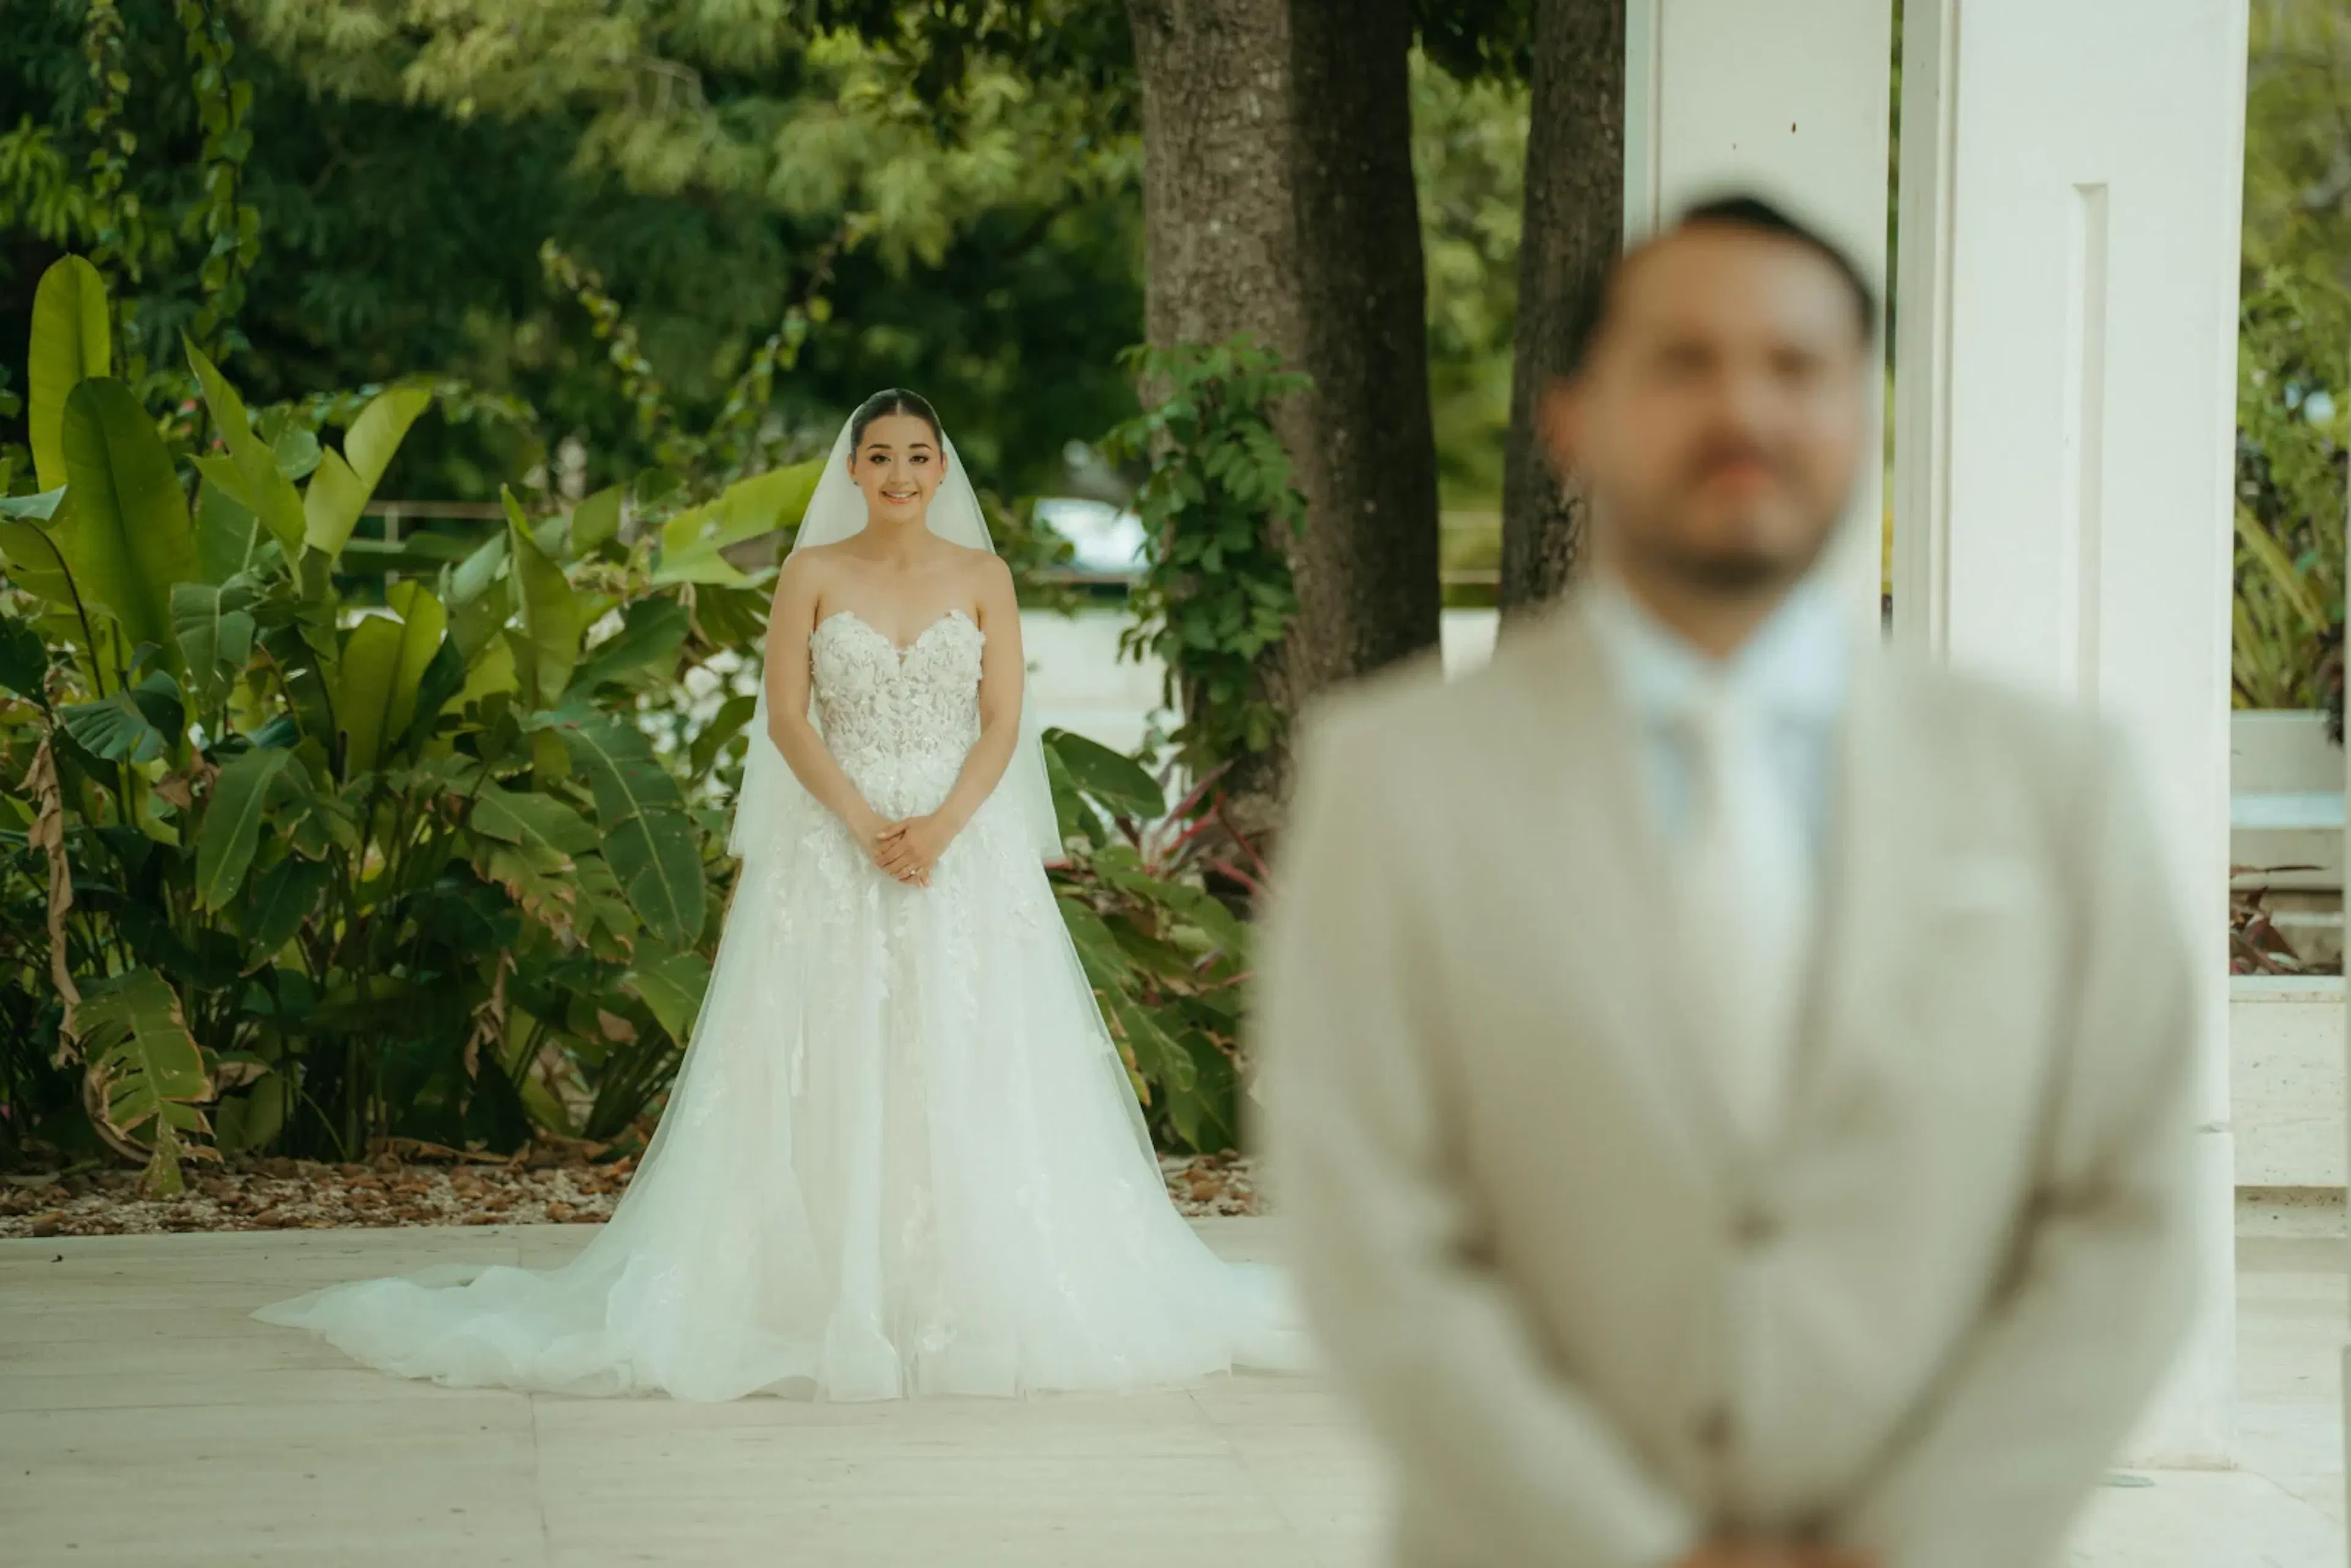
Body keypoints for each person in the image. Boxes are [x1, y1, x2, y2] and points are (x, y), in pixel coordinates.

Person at [1255, 196, 2201, 1568]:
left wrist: (1916, 1542)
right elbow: (1366, 1227)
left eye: (1798, 366)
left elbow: (2134, 1210)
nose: (1743, 407)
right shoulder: (1395, 779)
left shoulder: (2057, 781)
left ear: (1864, 412)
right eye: (1684, 362)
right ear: (1572, 416)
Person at [254, 389, 1309, 1401]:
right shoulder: (809, 571)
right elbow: (790, 720)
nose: (900, 473)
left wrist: (939, 827)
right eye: (881, 456)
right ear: (854, 470)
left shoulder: (984, 574)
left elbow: (1002, 722)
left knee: (970, 1055)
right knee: (828, 1055)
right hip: (833, 850)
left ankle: (968, 1292)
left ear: (942, 470)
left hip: (960, 851)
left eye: (918, 456)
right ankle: (819, 1291)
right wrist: (863, 824)